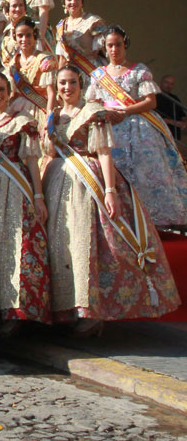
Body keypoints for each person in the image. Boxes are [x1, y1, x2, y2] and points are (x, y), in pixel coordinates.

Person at [44, 65, 180, 333]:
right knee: (61, 246)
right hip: (57, 182)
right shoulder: (54, 116)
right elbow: (49, 152)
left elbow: (104, 152)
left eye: (72, 83)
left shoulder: (93, 113)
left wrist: (110, 190)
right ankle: (67, 307)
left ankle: (92, 311)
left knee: (90, 243)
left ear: (80, 86)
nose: (67, 88)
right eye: (62, 83)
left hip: (89, 182)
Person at [0, 71, 51, 330]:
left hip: (13, 189)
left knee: (13, 247)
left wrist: (38, 196)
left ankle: (16, 310)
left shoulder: (22, 122)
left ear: (9, 92)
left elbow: (31, 160)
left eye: (1, 89)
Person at [89, 26, 187, 227]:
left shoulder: (139, 70)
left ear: (125, 46)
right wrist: (106, 114)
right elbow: (94, 103)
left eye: (118, 44)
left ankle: (153, 222)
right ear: (105, 48)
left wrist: (125, 112)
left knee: (146, 174)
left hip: (138, 127)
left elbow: (151, 102)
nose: (114, 49)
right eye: (110, 45)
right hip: (109, 127)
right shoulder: (98, 75)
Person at [9, 20, 56, 117]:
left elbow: (51, 92)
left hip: (40, 108)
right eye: (20, 36)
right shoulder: (14, 62)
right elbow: (13, 93)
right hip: (19, 110)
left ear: (35, 36)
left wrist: (49, 116)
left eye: (28, 35)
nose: (24, 39)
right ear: (15, 37)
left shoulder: (44, 59)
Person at [53, 0, 104, 74]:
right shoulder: (61, 26)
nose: (73, 2)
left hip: (90, 71)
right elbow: (62, 58)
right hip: (70, 74)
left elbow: (105, 49)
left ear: (82, 1)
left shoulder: (93, 21)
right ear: (64, 3)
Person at [156, 74, 186, 145]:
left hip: (175, 137)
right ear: (161, 83)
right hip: (160, 136)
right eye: (166, 82)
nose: (169, 86)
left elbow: (182, 116)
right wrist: (171, 122)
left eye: (171, 84)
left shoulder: (174, 98)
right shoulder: (154, 97)